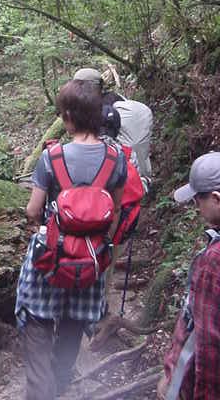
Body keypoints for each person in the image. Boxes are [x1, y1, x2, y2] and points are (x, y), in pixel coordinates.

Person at [16, 80, 127, 400]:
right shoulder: (115, 158)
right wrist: (96, 242)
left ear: (68, 116)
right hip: (91, 259)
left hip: (51, 259)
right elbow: (116, 210)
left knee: (36, 321)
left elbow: (33, 210)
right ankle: (61, 381)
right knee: (73, 324)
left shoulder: (52, 157)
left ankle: (41, 390)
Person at [157, 152, 220, 400]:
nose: (196, 207)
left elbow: (208, 345)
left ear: (216, 198)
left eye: (197, 200)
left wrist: (177, 383)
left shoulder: (214, 261)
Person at [73, 68, 153, 180]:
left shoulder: (104, 109)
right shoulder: (116, 98)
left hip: (120, 172)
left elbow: (101, 147)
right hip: (136, 167)